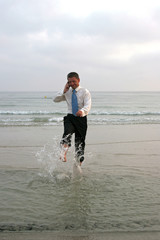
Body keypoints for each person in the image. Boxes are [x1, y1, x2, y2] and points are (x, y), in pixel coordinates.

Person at [53, 72, 91, 166]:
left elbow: (88, 104)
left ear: (78, 80)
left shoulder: (84, 91)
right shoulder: (67, 92)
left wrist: (82, 111)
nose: (72, 84)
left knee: (80, 142)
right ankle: (63, 153)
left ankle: (78, 163)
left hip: (81, 118)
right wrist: (64, 90)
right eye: (69, 82)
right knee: (67, 133)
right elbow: (55, 99)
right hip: (70, 117)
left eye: (74, 81)